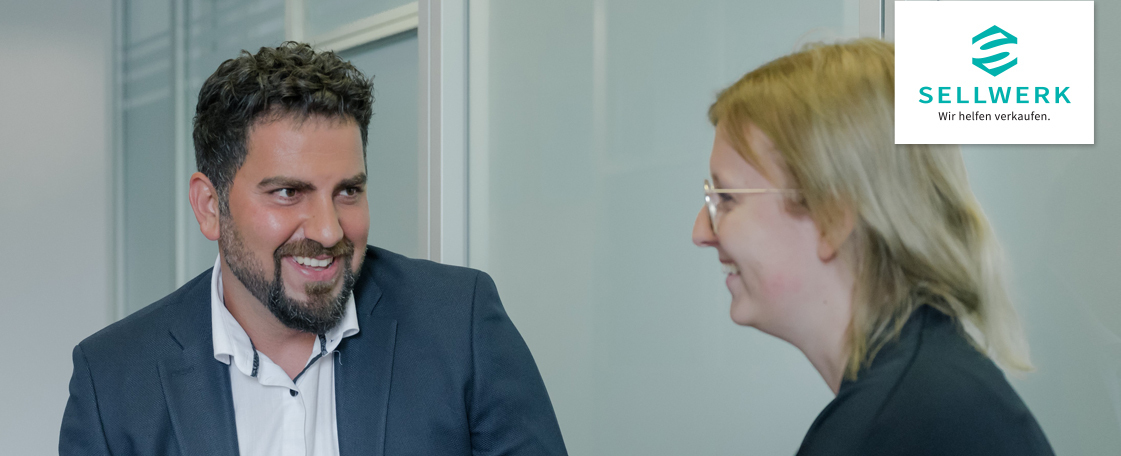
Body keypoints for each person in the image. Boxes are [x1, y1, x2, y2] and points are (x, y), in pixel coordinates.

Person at [60, 42, 567, 456]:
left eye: (348, 191)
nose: (327, 231)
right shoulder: (113, 383)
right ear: (210, 206)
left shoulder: (459, 325)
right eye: (288, 192)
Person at [691, 39, 1054, 455]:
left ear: (832, 217)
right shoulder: (930, 397)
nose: (701, 231)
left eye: (727, 199)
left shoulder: (897, 426)